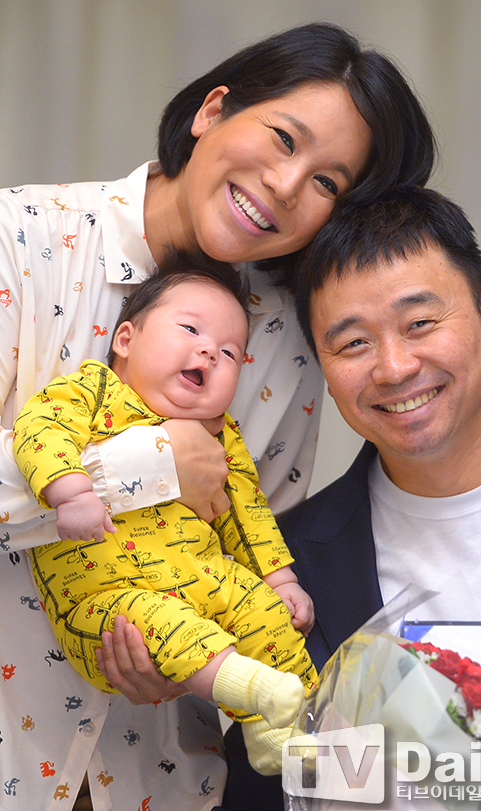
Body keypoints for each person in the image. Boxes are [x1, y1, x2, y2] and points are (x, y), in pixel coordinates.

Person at [0, 21, 435, 811]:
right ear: (212, 110)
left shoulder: (286, 344)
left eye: (327, 182)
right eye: (282, 138)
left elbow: (250, 541)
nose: (285, 184)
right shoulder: (23, 240)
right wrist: (148, 466)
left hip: (165, 780)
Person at [224, 186, 481, 809]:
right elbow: (266, 783)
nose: (394, 368)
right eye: (353, 343)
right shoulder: (288, 567)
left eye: (419, 324)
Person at [13, 253, 317, 776]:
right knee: (160, 624)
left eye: (229, 352)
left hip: (204, 580)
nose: (210, 351)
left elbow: (248, 515)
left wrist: (280, 579)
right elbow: (40, 430)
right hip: (104, 599)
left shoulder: (221, 435)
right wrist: (72, 491)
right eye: (191, 330)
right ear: (125, 340)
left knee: (265, 612)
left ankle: (284, 731)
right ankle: (253, 692)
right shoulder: (92, 392)